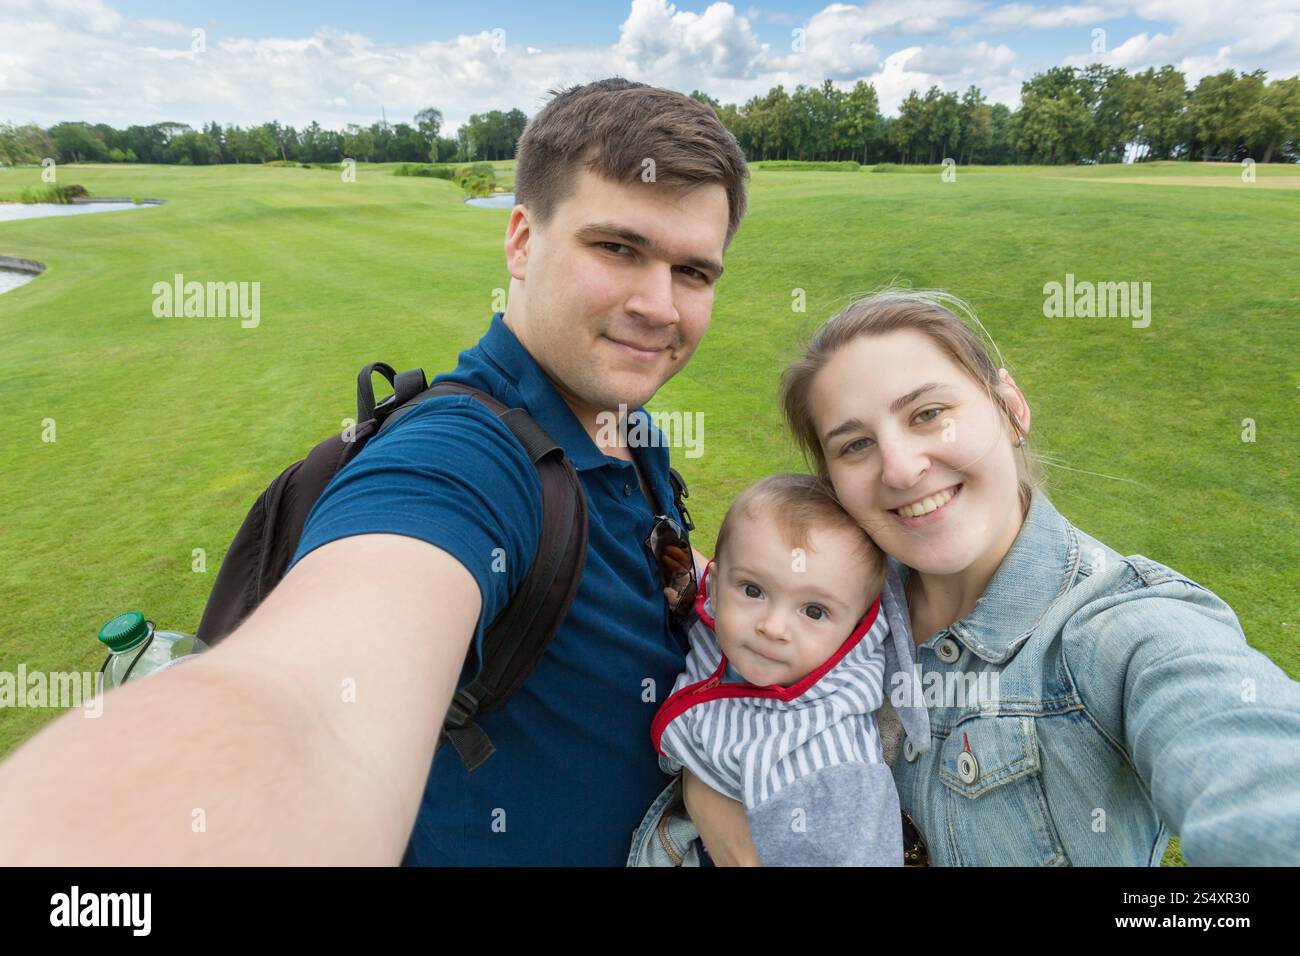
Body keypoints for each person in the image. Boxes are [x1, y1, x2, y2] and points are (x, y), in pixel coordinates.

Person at [0, 78, 749, 865]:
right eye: (619, 248)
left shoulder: (625, 425)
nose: (660, 306)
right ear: (523, 241)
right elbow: (302, 706)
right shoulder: (461, 459)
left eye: (693, 272)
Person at [682, 289, 1300, 866]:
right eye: (855, 445)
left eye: (927, 414)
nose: (899, 468)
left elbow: (1255, 768)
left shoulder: (1123, 630)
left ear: (1010, 409)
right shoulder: (820, 597)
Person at [650, 473, 904, 866]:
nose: (773, 627)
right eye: (754, 590)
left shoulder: (832, 766)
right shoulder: (723, 628)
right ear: (715, 589)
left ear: (854, 632)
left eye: (814, 611)